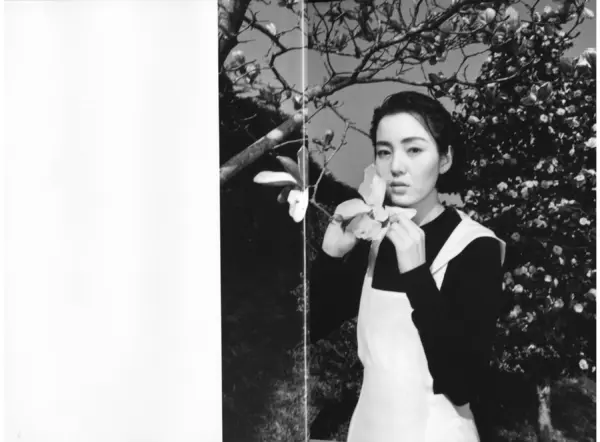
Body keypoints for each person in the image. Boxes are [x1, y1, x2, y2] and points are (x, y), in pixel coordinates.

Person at [309, 91, 507, 442]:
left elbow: (462, 385)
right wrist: (330, 257)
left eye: (414, 150)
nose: (396, 166)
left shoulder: (476, 246)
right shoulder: (374, 237)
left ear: (444, 159)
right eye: (384, 152)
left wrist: (417, 276)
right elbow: (313, 327)